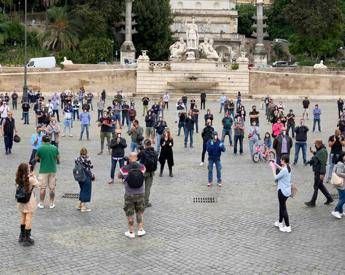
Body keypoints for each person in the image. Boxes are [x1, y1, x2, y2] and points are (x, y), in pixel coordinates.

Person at [118, 152, 146, 239]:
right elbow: (144, 174)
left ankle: (131, 231)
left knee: (129, 212)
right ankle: (140, 229)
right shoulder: (142, 167)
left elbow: (119, 176)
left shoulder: (124, 168)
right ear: (137, 158)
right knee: (140, 211)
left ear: (129, 158)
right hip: (140, 193)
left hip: (129, 194)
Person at [16, 163, 39, 246]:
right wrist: (34, 176)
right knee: (28, 218)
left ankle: (21, 236)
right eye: (29, 169)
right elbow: (37, 185)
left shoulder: (18, 178)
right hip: (29, 201)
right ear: (26, 170)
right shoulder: (30, 179)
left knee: (23, 217)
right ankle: (27, 238)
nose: (30, 170)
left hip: (21, 200)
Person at [305, 140, 333, 207]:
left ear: (319, 144)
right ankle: (329, 198)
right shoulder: (321, 150)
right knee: (320, 186)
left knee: (316, 186)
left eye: (316, 144)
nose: (315, 146)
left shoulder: (322, 151)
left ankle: (312, 202)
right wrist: (313, 153)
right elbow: (317, 157)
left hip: (319, 172)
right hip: (318, 171)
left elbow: (322, 163)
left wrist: (322, 174)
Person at [36, 135, 60, 209]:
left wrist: (41, 158)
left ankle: (41, 203)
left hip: (43, 170)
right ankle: (51, 203)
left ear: (43, 141)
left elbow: (37, 158)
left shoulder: (40, 148)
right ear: (49, 141)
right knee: (52, 188)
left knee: (43, 188)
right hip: (52, 170)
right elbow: (58, 158)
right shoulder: (55, 148)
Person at [270, 155, 292, 233]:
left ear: (284, 161)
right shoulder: (288, 167)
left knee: (283, 208)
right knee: (281, 206)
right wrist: (275, 164)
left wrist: (273, 168)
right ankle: (279, 222)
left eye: (281, 160)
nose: (280, 161)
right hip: (287, 191)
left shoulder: (284, 170)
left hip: (282, 191)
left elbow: (275, 177)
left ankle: (288, 226)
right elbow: (282, 169)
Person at [138, 139, 158, 208]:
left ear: (145, 145)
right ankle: (146, 202)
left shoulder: (143, 152)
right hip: (151, 173)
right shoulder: (155, 152)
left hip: (143, 172)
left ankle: (139, 201)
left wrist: (140, 150)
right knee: (147, 188)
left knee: (139, 187)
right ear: (150, 144)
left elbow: (137, 158)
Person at [75, 147, 94, 212]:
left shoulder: (77, 158)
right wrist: (92, 176)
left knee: (82, 189)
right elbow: (90, 166)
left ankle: (79, 205)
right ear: (86, 153)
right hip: (86, 176)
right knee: (86, 191)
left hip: (79, 176)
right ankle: (83, 206)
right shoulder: (87, 159)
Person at [331, 154, 345, 219]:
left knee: (341, 198)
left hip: (339, 183)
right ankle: (336, 210)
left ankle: (340, 211)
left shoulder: (339, 163)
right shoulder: (341, 164)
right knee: (343, 198)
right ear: (342, 157)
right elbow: (338, 173)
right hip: (341, 184)